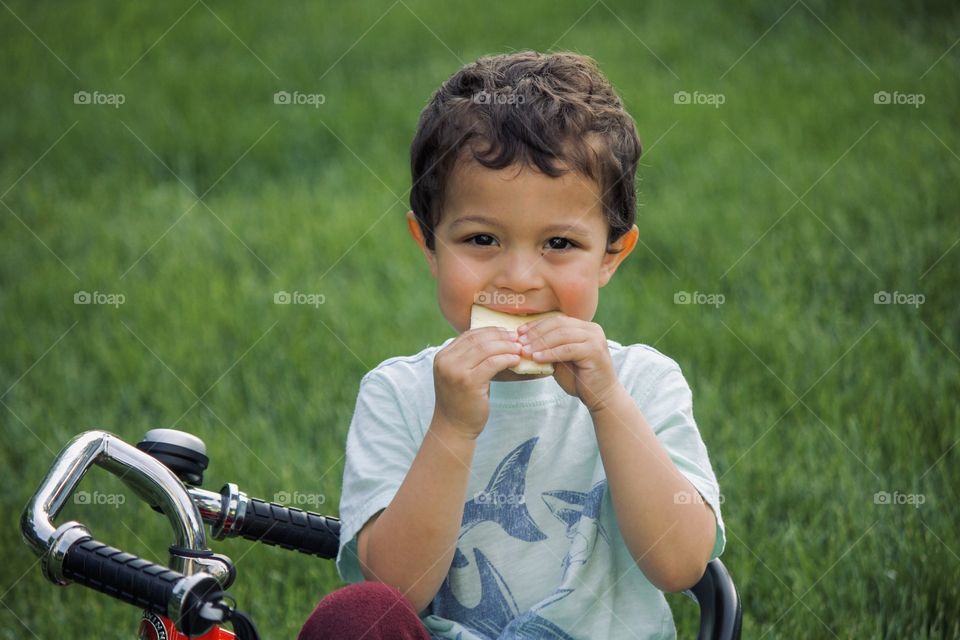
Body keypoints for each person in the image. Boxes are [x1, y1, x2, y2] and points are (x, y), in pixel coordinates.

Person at [299, 50, 725, 640]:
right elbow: (394, 591)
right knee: (351, 618)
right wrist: (452, 428)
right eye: (482, 239)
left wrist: (608, 404)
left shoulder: (644, 384)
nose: (519, 278)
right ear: (428, 245)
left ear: (611, 256)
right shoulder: (397, 394)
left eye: (559, 243)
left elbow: (682, 565)